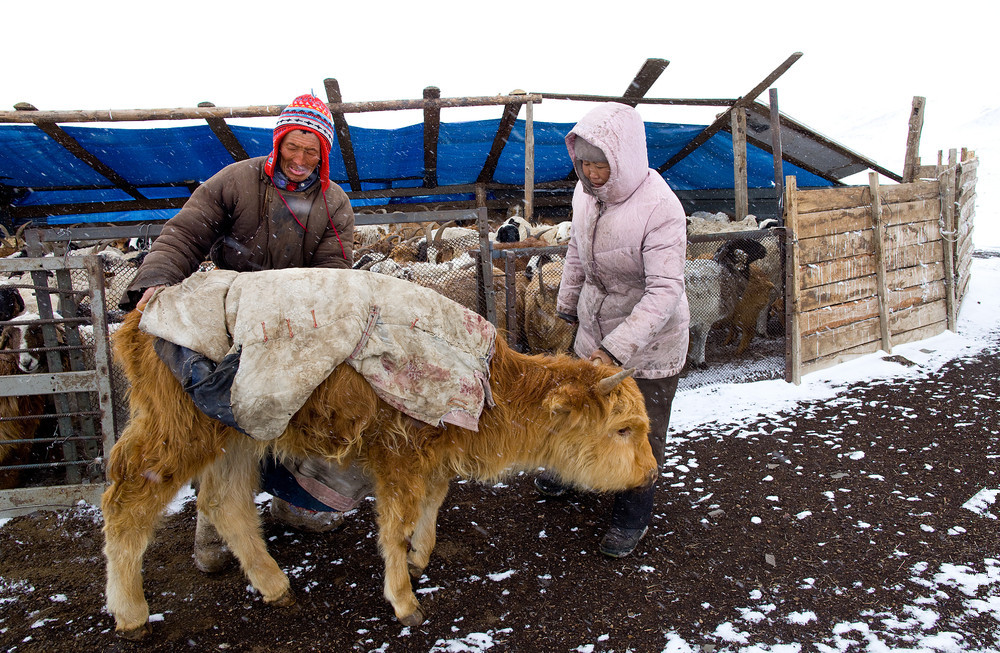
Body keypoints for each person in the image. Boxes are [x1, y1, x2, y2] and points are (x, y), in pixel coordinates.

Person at [120, 94, 357, 568]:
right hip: (231, 317)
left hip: (294, 320)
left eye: (313, 152)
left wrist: (318, 319)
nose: (301, 159)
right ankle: (215, 529)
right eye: (294, 146)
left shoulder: (332, 201)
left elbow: (333, 270)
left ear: (324, 154)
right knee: (226, 417)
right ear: (279, 141)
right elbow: (187, 233)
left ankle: (295, 503)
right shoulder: (238, 181)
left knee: (293, 412)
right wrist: (156, 280)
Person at [535, 102, 690, 559]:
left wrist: (616, 349)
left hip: (650, 344)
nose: (591, 172)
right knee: (586, 414)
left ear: (625, 158)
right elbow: (578, 254)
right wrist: (566, 306)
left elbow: (664, 291)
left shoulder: (661, 208)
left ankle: (633, 509)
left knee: (641, 429)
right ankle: (576, 473)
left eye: (600, 163)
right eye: (582, 163)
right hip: (595, 330)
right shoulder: (585, 194)